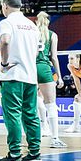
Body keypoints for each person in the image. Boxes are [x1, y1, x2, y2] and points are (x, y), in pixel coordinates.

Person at [0, 0, 42, 161]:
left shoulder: (6, 23)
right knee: (31, 114)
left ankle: (14, 154)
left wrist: (4, 62)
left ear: (5, 6)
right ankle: (35, 153)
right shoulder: (32, 25)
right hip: (31, 76)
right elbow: (37, 51)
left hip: (13, 76)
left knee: (12, 114)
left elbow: (5, 41)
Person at [33, 11, 64, 149]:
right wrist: (60, 76)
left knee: (29, 104)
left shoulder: (31, 33)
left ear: (36, 21)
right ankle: (55, 138)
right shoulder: (53, 35)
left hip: (31, 68)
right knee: (51, 104)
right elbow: (54, 57)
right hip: (44, 68)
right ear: (48, 22)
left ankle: (31, 137)